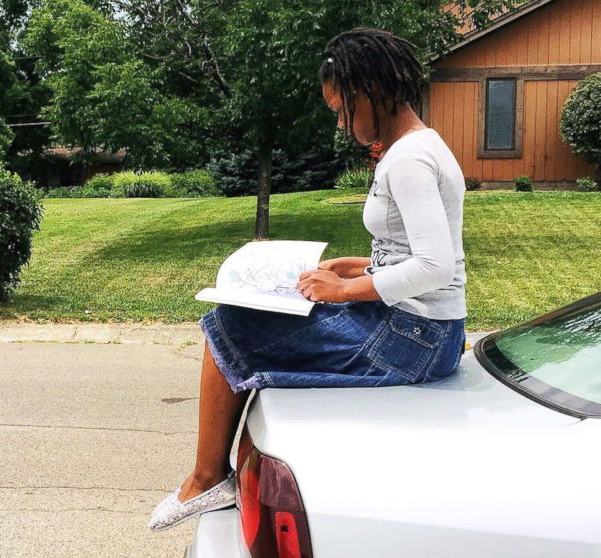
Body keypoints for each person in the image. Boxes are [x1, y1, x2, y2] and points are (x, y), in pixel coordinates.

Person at [149, 27, 469, 531]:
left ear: (370, 92)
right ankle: (215, 475)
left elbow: (436, 267)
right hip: (421, 329)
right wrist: (356, 266)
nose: (343, 125)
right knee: (267, 317)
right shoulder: (417, 148)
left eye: (343, 111)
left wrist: (345, 291)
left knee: (227, 325)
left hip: (413, 340)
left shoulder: (409, 160)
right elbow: (412, 252)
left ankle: (206, 479)